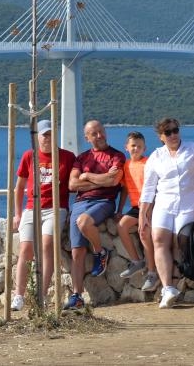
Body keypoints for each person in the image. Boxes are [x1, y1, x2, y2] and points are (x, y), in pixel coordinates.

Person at [140, 118, 194, 309]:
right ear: (161, 137)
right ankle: (167, 288)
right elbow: (149, 187)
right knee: (159, 239)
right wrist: (143, 213)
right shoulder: (156, 156)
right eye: (168, 132)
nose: (173, 135)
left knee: (181, 240)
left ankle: (174, 283)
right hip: (164, 204)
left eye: (175, 130)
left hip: (189, 203)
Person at [11, 119, 75, 311]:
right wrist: (17, 213)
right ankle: (18, 296)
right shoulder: (29, 156)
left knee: (48, 244)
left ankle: (42, 294)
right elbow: (19, 187)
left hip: (56, 208)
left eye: (50, 133)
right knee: (26, 250)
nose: (48, 137)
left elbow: (75, 181)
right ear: (37, 136)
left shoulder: (67, 157)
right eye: (44, 134)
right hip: (32, 208)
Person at [64, 120, 125, 310]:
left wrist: (88, 176)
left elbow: (113, 180)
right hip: (80, 203)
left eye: (101, 132)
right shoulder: (81, 158)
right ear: (87, 138)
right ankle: (77, 296)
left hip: (104, 202)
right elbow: (72, 185)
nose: (99, 136)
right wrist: (102, 181)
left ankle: (100, 252)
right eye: (94, 134)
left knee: (84, 223)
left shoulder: (117, 156)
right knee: (77, 251)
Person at [116, 131, 158, 292]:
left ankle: (152, 273)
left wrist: (150, 209)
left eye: (139, 146)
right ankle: (136, 261)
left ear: (144, 148)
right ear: (126, 147)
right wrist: (120, 209)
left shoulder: (148, 163)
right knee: (121, 226)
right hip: (135, 207)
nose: (136, 149)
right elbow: (125, 189)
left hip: (149, 206)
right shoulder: (126, 165)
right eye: (133, 145)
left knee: (144, 235)